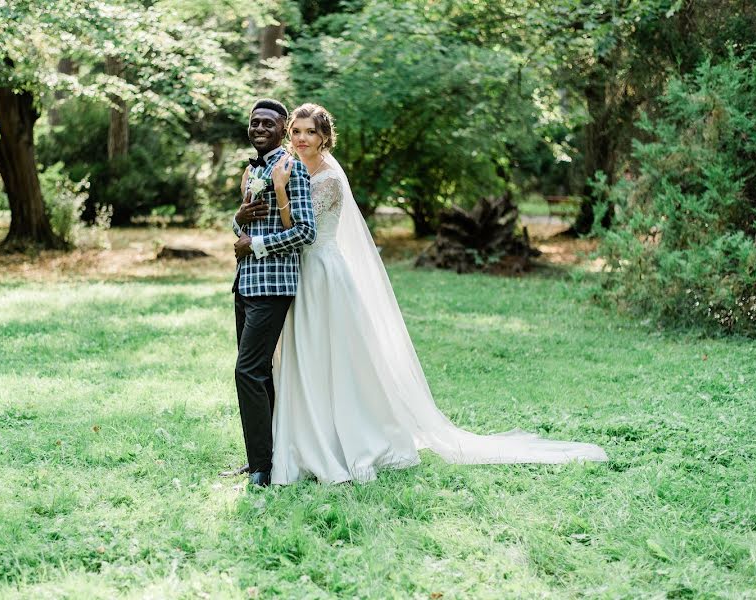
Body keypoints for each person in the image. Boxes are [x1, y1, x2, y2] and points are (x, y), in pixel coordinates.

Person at [249, 103, 607, 484]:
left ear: (324, 138)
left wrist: (282, 192)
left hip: (322, 273)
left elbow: (301, 229)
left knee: (330, 358)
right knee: (304, 357)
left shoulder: (329, 180)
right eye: (297, 132)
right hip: (297, 273)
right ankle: (303, 436)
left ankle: (340, 440)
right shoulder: (292, 167)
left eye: (310, 133)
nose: (302, 139)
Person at [228, 98, 316, 487]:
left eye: (269, 123)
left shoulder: (290, 168)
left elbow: (306, 231)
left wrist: (257, 246)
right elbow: (242, 228)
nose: (260, 128)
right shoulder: (252, 170)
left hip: (273, 287)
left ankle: (262, 468)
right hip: (245, 283)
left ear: (283, 130)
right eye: (255, 122)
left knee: (246, 371)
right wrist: (237, 220)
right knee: (259, 374)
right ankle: (261, 461)